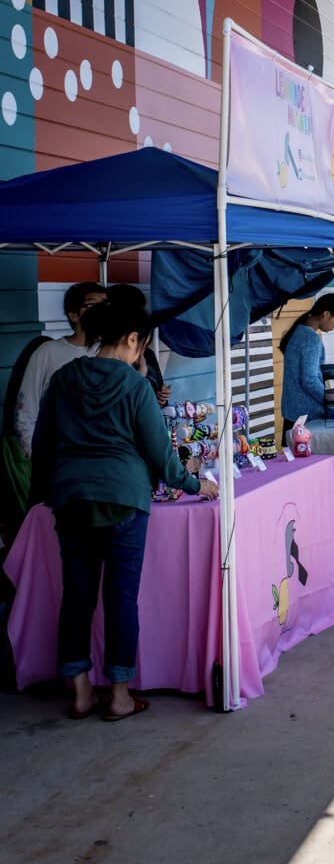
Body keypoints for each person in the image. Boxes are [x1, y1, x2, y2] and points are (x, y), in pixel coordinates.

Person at [32, 298, 218, 721]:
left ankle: (81, 692)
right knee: (120, 600)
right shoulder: (136, 387)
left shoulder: (64, 379)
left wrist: (42, 494)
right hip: (124, 502)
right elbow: (161, 456)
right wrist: (196, 484)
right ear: (133, 340)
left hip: (71, 500)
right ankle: (119, 696)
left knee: (76, 596)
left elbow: (43, 444)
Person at [14, 281, 107, 455]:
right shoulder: (48, 352)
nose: (102, 311)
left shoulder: (110, 352)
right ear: (73, 315)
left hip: (102, 456)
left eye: (106, 305)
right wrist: (36, 454)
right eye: (93, 305)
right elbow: (26, 409)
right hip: (58, 455)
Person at [280, 293, 334, 440]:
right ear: (326, 314)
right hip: (307, 417)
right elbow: (310, 380)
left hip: (292, 413)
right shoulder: (311, 338)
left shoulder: (298, 331)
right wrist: (331, 400)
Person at [107, 284, 171, 405]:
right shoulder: (106, 362)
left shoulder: (148, 355)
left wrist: (162, 397)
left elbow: (157, 400)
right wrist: (139, 376)